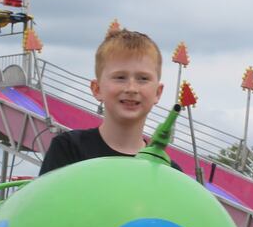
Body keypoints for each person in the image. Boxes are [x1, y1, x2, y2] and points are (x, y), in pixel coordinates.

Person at [40, 28, 168, 175]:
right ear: (97, 89)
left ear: (158, 92)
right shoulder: (69, 149)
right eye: (120, 77)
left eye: (143, 79)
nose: (131, 88)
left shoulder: (166, 169)